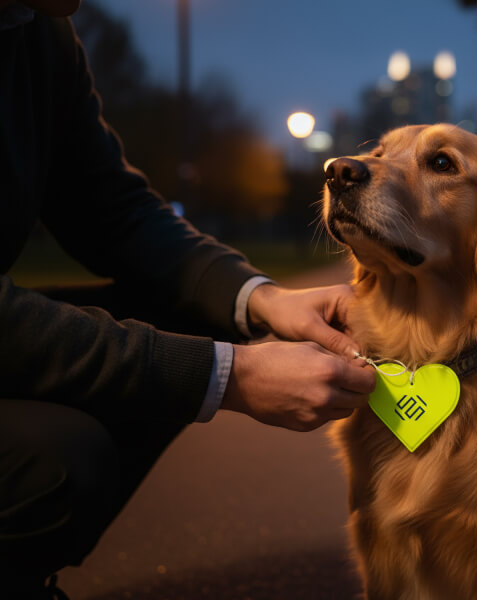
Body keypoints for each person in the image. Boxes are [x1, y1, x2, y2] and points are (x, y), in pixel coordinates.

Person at [0, 1, 376, 597]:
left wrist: (262, 299)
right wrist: (230, 375)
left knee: (186, 309)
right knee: (56, 464)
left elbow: (114, 211)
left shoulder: (38, 27)